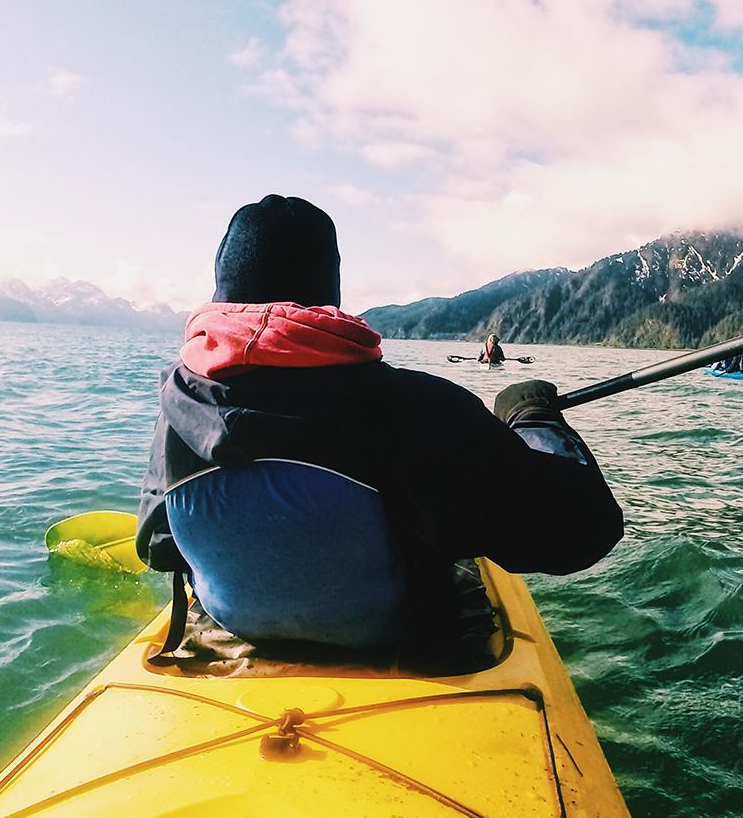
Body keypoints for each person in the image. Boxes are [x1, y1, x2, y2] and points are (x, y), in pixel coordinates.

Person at [135, 195, 623, 653]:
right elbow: (585, 530)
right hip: (404, 638)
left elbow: (158, 545)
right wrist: (532, 416)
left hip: (238, 627)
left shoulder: (176, 406)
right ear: (329, 291)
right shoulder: (421, 407)